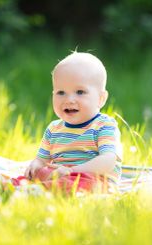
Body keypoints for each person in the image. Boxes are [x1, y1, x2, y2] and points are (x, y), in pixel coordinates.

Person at [24, 51, 123, 184]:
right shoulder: (54, 129)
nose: (69, 100)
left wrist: (73, 170)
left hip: (94, 178)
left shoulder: (104, 125)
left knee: (69, 183)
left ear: (101, 98)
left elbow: (108, 160)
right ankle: (25, 187)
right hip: (61, 176)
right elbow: (42, 160)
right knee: (37, 176)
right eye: (61, 92)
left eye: (80, 92)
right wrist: (36, 165)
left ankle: (41, 189)